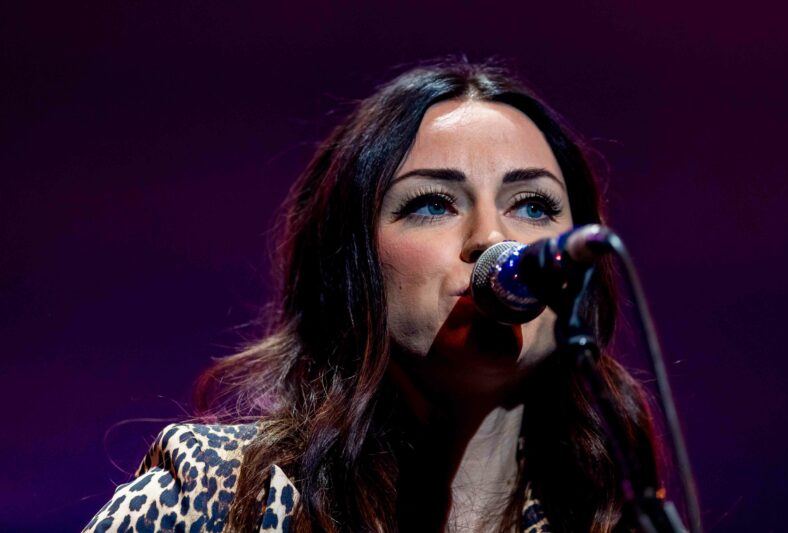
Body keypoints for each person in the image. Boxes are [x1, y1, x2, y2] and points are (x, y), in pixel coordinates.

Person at [83, 59, 661, 533]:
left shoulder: (613, 519)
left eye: (534, 206)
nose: (492, 238)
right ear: (353, 263)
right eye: (432, 204)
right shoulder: (219, 497)